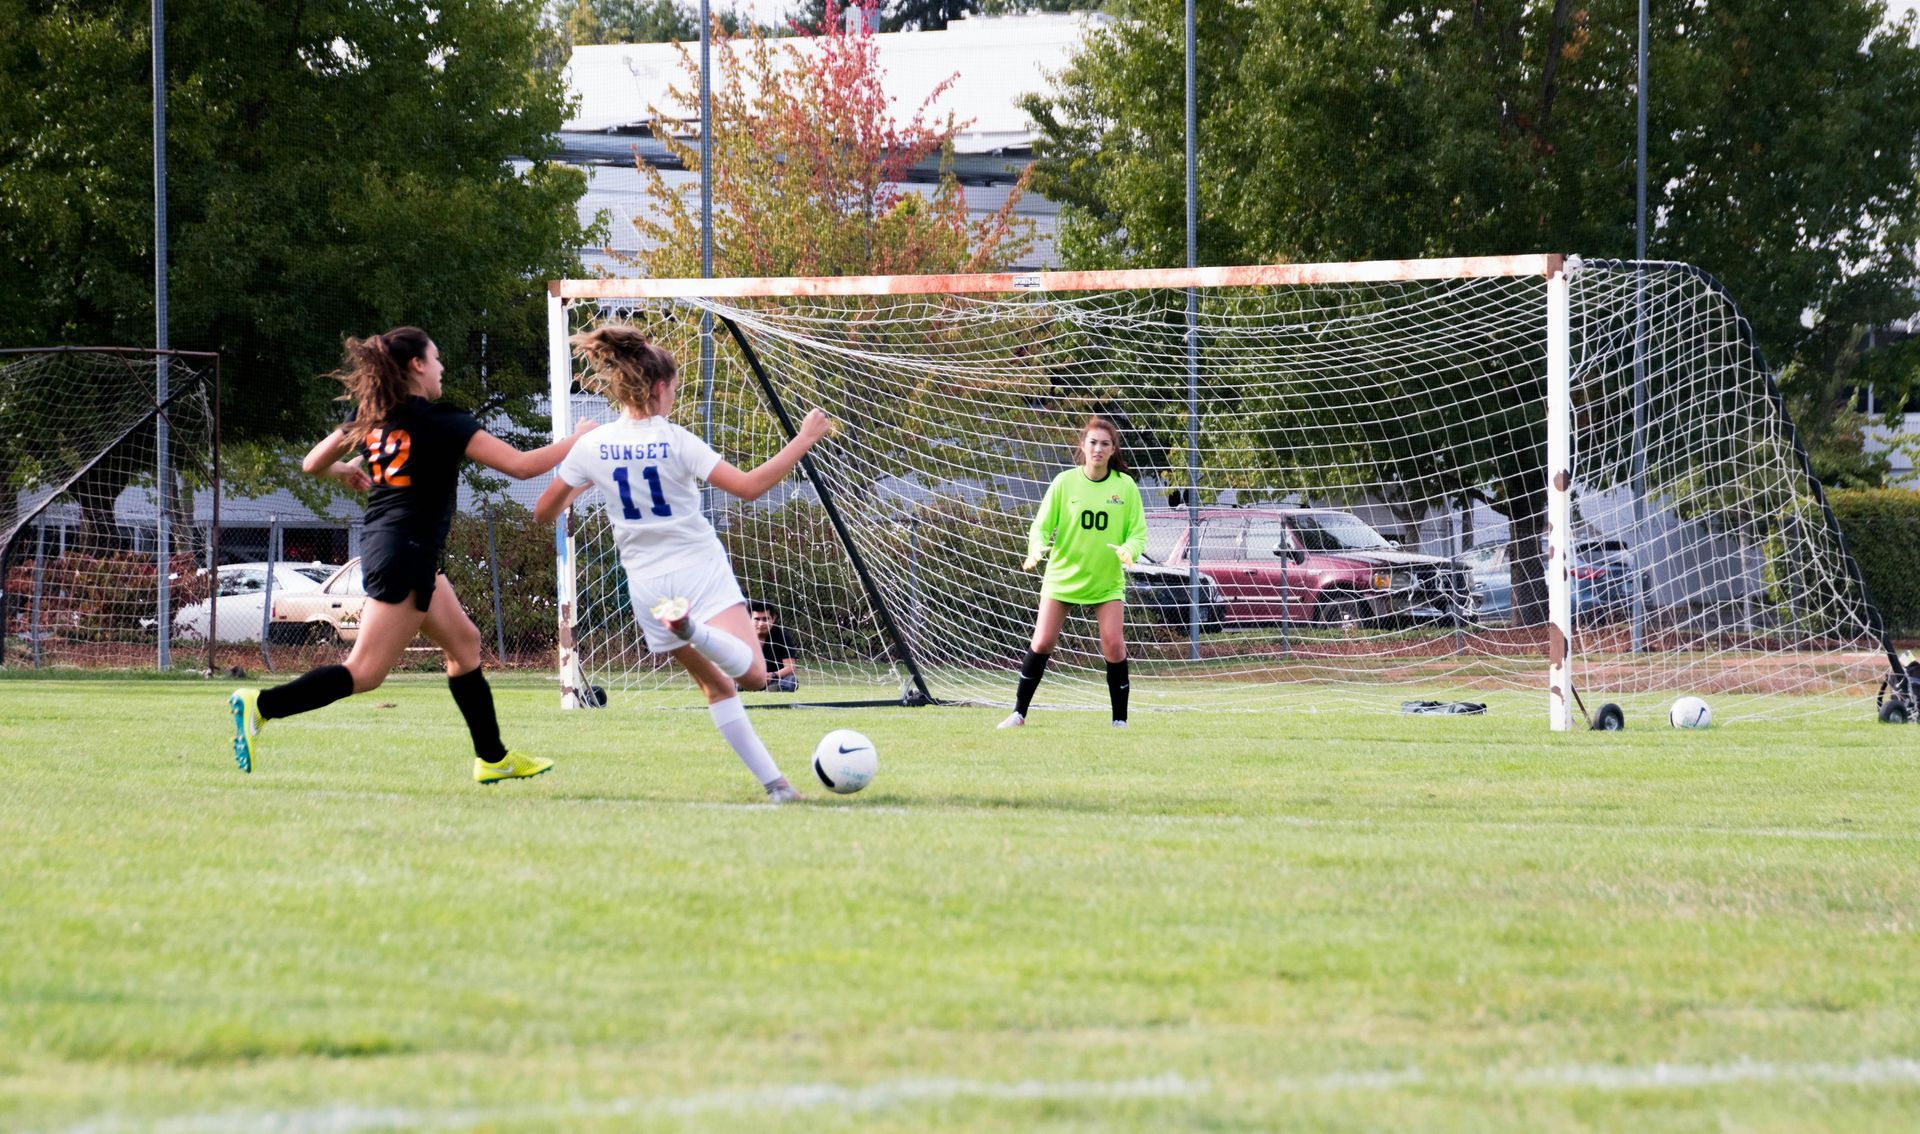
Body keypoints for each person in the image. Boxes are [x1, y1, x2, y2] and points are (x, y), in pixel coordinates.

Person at [227, 327, 595, 784]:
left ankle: (492, 756)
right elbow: (521, 466)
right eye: (436, 359)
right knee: (364, 673)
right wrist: (580, 438)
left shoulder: (374, 417)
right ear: (418, 365)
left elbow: (311, 463)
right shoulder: (441, 420)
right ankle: (261, 706)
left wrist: (344, 469)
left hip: (398, 548)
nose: (441, 368)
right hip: (406, 551)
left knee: (464, 644)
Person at [534, 325, 832, 803]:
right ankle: (693, 629)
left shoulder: (592, 446)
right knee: (754, 676)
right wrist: (804, 439)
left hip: (648, 586)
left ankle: (778, 787)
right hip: (698, 566)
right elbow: (749, 487)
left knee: (717, 686)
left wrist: (585, 478)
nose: (675, 395)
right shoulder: (676, 439)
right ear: (659, 388)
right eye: (674, 388)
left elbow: (544, 511)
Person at [999, 415, 1148, 730]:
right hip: (1063, 576)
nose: (1098, 449)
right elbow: (1041, 524)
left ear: (1112, 450)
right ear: (1083, 446)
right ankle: (1018, 713)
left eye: (1104, 444)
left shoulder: (1125, 487)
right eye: (1092, 442)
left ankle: (1119, 721)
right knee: (1042, 642)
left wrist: (1129, 551)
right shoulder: (1064, 482)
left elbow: (1137, 533)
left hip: (1105, 580)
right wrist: (1036, 548)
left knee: (1114, 644)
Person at [751, 601, 799, 692]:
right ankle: (746, 687)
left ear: (773, 619)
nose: (761, 624)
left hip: (774, 679)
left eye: (765, 619)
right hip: (748, 678)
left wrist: (772, 675)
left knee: (792, 680)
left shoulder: (782, 636)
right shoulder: (741, 636)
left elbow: (790, 667)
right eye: (757, 619)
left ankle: (771, 689)